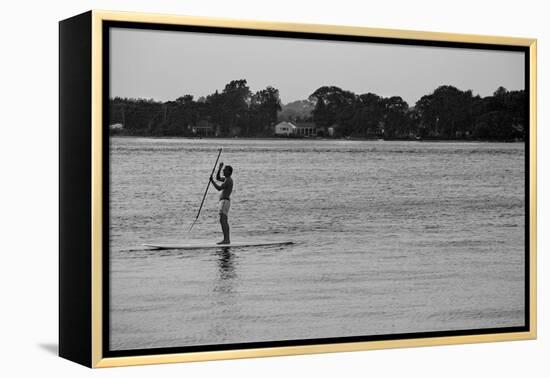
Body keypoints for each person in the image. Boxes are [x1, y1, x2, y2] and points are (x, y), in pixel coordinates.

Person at [210, 162, 234, 245]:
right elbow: (218, 177)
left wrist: (212, 182)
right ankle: (226, 239)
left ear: (229, 172)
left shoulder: (228, 180)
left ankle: (226, 240)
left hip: (225, 202)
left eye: (224, 170)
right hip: (224, 202)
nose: (223, 171)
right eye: (223, 170)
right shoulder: (227, 179)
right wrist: (219, 168)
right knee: (223, 220)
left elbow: (219, 188)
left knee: (223, 220)